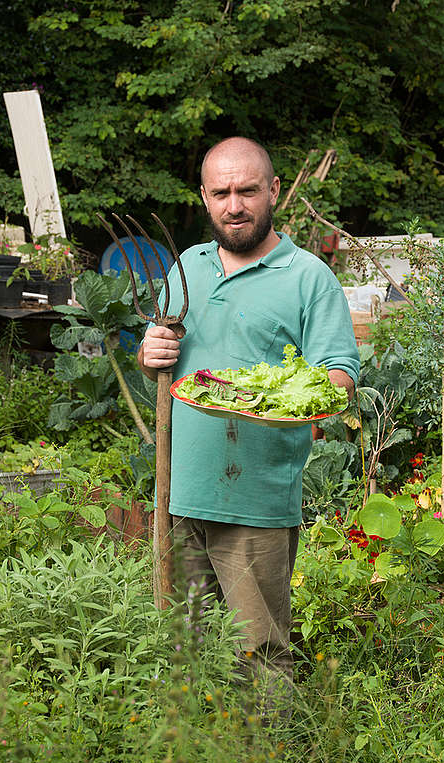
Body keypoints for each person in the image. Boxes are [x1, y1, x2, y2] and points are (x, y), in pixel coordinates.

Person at [137, 136, 360, 710]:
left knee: (257, 653)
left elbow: (339, 375)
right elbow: (163, 363)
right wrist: (152, 353)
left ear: (274, 192)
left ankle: (269, 747)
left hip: (256, 499)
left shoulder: (308, 277)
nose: (235, 205)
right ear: (205, 198)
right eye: (222, 193)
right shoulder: (189, 266)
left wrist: (303, 396)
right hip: (180, 491)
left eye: (248, 191)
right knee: (183, 643)